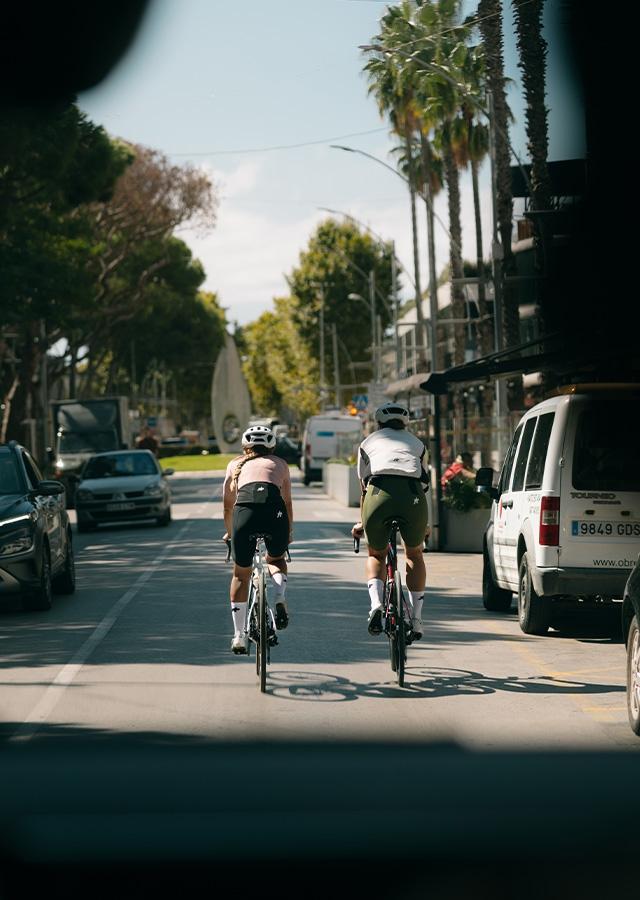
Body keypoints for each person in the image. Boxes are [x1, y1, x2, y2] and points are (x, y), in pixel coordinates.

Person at [351, 403, 429, 640]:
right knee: (414, 554)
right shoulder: (418, 444)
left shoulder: (368, 443)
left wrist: (361, 522)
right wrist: (424, 523)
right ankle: (416, 619)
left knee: (376, 554)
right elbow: (424, 484)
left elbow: (364, 484)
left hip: (378, 496)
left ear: (379, 423)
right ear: (406, 423)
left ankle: (376, 604)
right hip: (412, 498)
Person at [222, 425, 293, 654]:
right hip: (275, 513)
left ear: (245, 446)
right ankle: (280, 597)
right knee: (275, 559)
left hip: (245, 515)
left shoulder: (235, 465)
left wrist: (230, 534)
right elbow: (287, 501)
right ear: (271, 446)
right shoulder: (280, 464)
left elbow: (227, 505)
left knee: (241, 575)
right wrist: (288, 532)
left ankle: (239, 635)